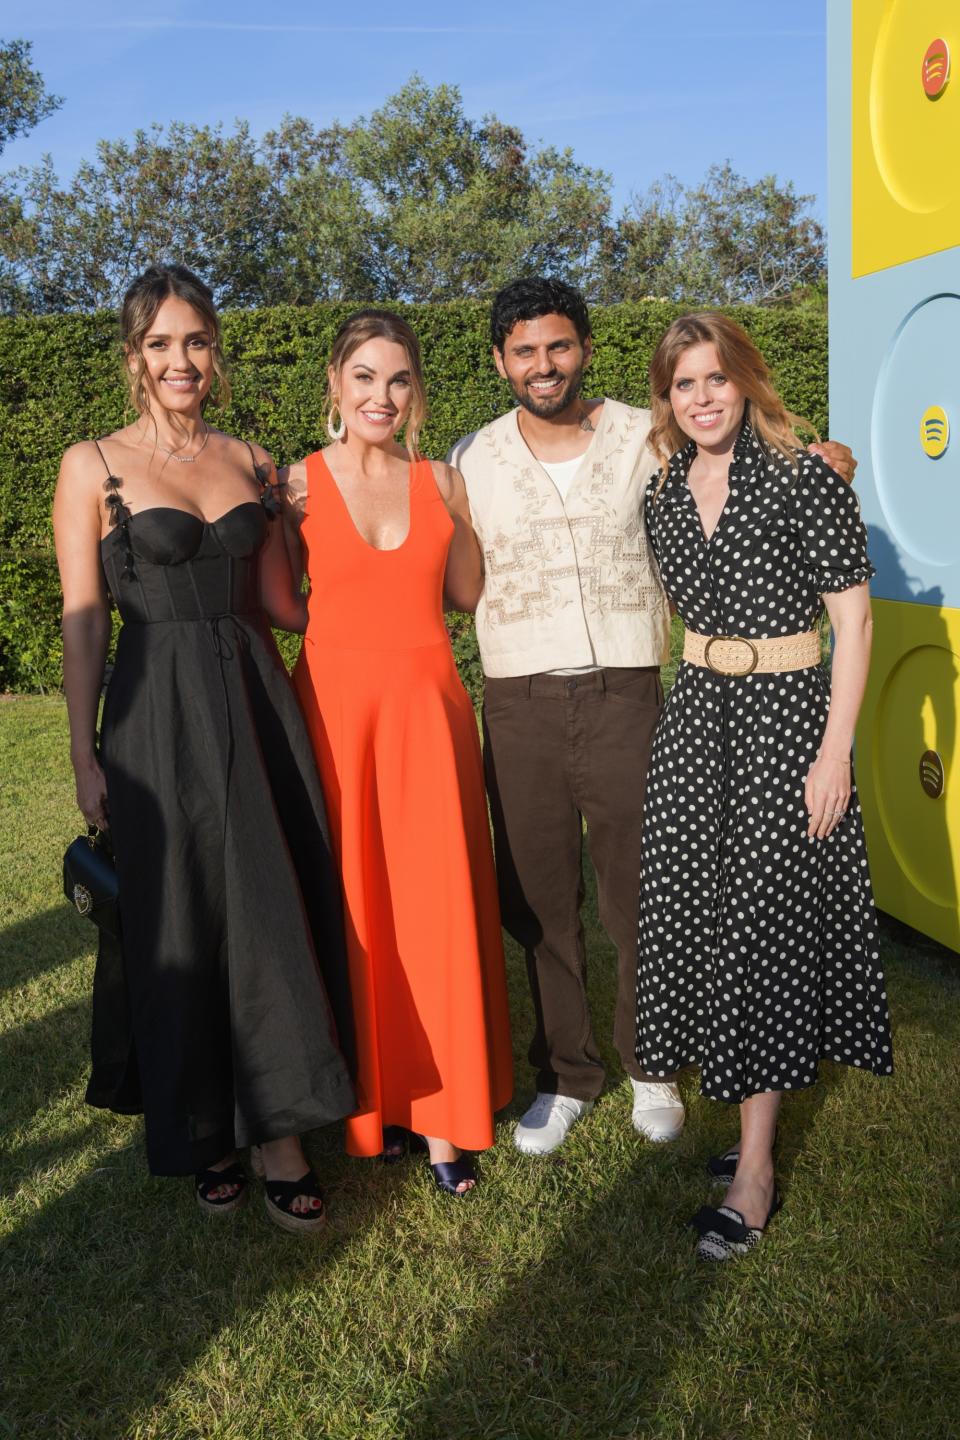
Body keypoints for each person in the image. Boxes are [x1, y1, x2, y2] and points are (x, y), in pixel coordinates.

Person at [450, 279, 857, 1156]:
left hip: (631, 695)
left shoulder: (650, 432)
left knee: (647, 890)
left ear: (585, 348)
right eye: (523, 350)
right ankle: (567, 1074)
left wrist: (826, 455)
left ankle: (651, 1065)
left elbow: (753, 462)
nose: (542, 364)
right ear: (499, 361)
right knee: (540, 898)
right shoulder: (469, 459)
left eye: (558, 346)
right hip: (519, 701)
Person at [53, 263, 356, 1235]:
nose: (180, 360)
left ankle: (281, 1133)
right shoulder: (90, 464)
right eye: (160, 343)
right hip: (153, 711)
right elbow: (83, 619)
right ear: (133, 354)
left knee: (267, 905)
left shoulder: (255, 461)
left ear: (214, 349)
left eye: (194, 341)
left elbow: (285, 596)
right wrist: (82, 751)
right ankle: (202, 1131)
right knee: (181, 918)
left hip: (256, 694)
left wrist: (322, 519)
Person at [635, 313, 893, 1261]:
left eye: (716, 378)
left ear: (744, 380)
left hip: (789, 724)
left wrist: (836, 755)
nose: (701, 398)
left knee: (770, 922)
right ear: (666, 397)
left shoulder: (802, 482)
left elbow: (854, 628)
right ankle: (745, 1112)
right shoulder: (661, 492)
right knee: (703, 914)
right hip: (699, 722)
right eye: (683, 384)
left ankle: (755, 1168)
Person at [281, 309, 513, 1196]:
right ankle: (366, 1103)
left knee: (435, 906)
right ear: (336, 385)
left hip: (430, 714)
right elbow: (280, 600)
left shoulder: (442, 482)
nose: (383, 395)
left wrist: (461, 516)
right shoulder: (294, 485)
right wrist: (348, 649)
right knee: (357, 911)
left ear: (417, 390)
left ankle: (448, 1120)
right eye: (366, 377)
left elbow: (464, 595)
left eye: (400, 379)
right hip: (338, 717)